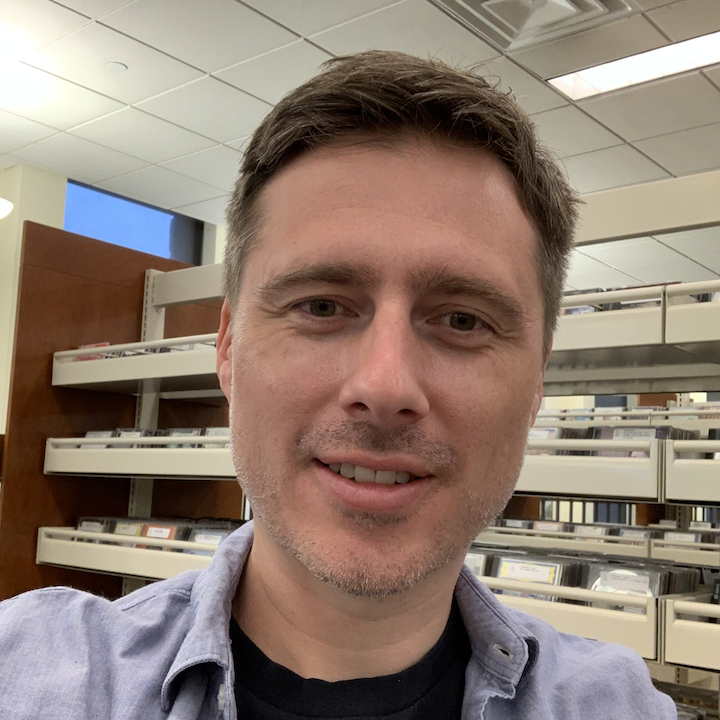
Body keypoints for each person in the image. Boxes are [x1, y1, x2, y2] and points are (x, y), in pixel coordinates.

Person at [0, 51, 675, 719]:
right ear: (228, 348)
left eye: (463, 320)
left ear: (536, 383)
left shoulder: (616, 706)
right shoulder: (31, 672)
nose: (384, 386)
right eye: (321, 306)